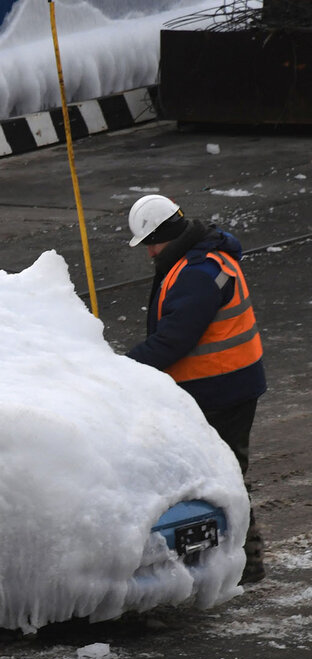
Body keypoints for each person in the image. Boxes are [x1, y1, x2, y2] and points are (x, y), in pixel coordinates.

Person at [124, 194, 267, 583]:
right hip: (229, 384)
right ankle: (238, 558)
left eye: (150, 243)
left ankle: (246, 562)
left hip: (221, 390)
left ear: (165, 235)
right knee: (227, 473)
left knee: (226, 477)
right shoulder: (203, 257)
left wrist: (120, 367)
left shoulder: (197, 273)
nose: (149, 252)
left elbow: (173, 340)